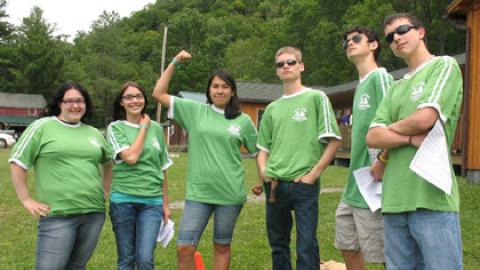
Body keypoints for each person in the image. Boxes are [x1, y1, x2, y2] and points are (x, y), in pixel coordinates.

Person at [366, 13, 463, 269]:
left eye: (402, 30)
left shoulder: (443, 66)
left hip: (431, 197)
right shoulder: (396, 86)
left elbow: (425, 118)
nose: (396, 38)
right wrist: (409, 138)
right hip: (393, 201)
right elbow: (372, 136)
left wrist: (389, 129)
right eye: (389, 37)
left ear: (420, 32)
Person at [152, 50, 258, 270]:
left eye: (225, 87)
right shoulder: (194, 111)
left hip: (230, 193)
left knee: (222, 246)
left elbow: (259, 152)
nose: (220, 90)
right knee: (184, 248)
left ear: (232, 92)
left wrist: (261, 180)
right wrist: (174, 63)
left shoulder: (243, 120)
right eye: (215, 86)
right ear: (209, 90)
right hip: (198, 193)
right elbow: (158, 93)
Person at [254, 46, 342, 270]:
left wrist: (313, 175)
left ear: (301, 66)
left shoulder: (316, 97)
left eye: (291, 62)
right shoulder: (272, 108)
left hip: (303, 185)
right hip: (274, 186)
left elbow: (334, 140)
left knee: (306, 246)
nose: (285, 66)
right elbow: (262, 148)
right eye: (280, 64)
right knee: (278, 246)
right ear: (276, 71)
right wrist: (264, 172)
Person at [9, 81, 113, 270]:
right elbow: (17, 162)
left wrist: (105, 191)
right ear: (60, 103)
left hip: (93, 214)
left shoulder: (94, 133)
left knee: (77, 267)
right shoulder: (42, 126)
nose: (75, 105)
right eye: (69, 101)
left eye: (80, 101)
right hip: (58, 215)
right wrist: (26, 199)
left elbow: (109, 164)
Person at [335, 26, 393, 270]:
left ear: (373, 45)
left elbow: (394, 121)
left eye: (356, 39)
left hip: (374, 183)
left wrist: (383, 161)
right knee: (347, 243)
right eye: (346, 41)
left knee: (383, 254)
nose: (349, 43)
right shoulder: (360, 86)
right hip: (353, 183)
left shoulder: (380, 77)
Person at [106, 82, 172, 270]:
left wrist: (165, 204)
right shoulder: (115, 128)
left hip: (152, 203)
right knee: (126, 259)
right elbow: (131, 157)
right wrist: (143, 128)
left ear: (144, 99)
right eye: (128, 97)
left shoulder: (157, 129)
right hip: (123, 201)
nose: (134, 100)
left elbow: (162, 168)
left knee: (145, 259)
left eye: (138, 96)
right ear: (121, 103)